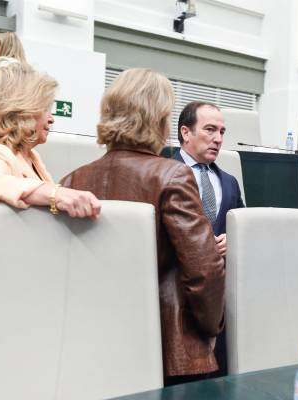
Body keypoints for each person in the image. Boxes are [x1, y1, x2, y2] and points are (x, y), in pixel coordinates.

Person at [60, 68, 225, 386]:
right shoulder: (172, 175)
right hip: (167, 345)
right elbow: (205, 269)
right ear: (162, 121)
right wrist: (211, 327)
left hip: (92, 341)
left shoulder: (70, 181)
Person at [0, 63, 101, 353]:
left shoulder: (30, 156)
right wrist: (55, 194)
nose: (52, 118)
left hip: (17, 302)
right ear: (20, 110)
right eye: (45, 108)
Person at [172, 101, 245, 377]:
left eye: (222, 132)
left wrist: (233, 239)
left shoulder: (229, 181)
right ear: (186, 132)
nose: (218, 139)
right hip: (177, 294)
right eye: (210, 129)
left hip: (218, 298)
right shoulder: (163, 171)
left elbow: (244, 226)